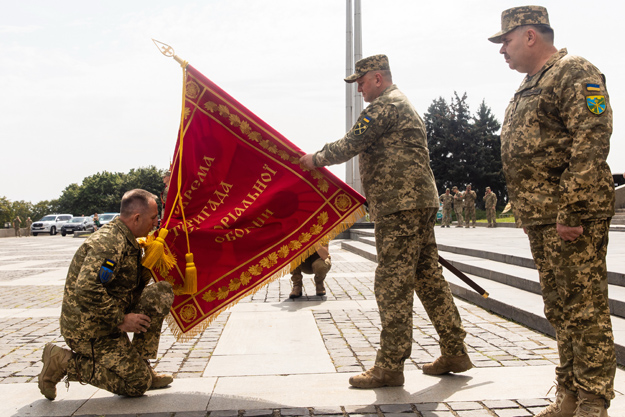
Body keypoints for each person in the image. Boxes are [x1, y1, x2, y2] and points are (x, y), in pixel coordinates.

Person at [300, 54, 471, 389]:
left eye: (362, 82)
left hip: (400, 206)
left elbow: (351, 144)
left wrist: (314, 159)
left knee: (391, 282)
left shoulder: (384, 106)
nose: (360, 89)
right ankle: (455, 349)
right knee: (427, 277)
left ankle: (390, 365)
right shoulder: (399, 103)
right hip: (416, 203)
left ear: (377, 78)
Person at [490, 6, 615, 416]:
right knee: (560, 308)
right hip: (542, 217)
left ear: (530, 36)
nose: (502, 50)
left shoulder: (574, 71)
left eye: (505, 41)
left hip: (570, 216)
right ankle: (569, 395)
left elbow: (591, 139)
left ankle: (594, 401)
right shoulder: (530, 84)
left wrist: (573, 209)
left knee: (585, 308)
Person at [38, 189, 175, 400]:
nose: (156, 222)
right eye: (154, 217)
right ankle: (62, 362)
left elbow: (127, 286)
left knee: (160, 293)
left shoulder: (128, 238)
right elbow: (87, 288)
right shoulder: (109, 243)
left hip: (107, 319)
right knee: (137, 384)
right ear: (137, 218)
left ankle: (142, 365)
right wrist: (120, 319)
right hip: (89, 329)